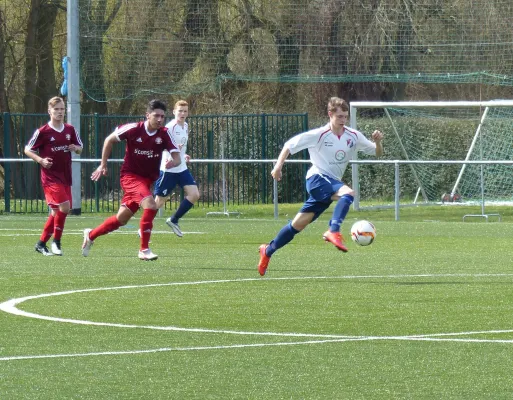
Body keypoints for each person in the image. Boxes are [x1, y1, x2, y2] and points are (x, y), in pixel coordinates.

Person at [258, 97, 384, 276]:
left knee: (297, 226)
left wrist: (378, 142)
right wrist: (278, 166)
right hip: (317, 178)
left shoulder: (353, 136)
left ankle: (267, 251)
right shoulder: (319, 134)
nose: (343, 120)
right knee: (348, 193)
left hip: (329, 184)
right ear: (330, 114)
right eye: (339, 116)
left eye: (345, 116)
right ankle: (333, 230)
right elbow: (289, 146)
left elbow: (377, 153)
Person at [81, 99, 181, 261]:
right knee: (151, 205)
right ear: (147, 115)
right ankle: (144, 249)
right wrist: (103, 165)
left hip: (146, 181)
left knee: (121, 219)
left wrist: (173, 162)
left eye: (162, 116)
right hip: (130, 177)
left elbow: (177, 157)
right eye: (156, 116)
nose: (160, 119)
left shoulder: (164, 134)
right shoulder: (133, 129)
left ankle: (91, 235)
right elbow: (109, 140)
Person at [25, 96, 83, 256]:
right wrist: (40, 160)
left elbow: (80, 148)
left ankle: (41, 243)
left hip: (65, 175)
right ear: (49, 111)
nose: (59, 112)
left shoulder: (70, 130)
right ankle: (56, 242)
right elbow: (27, 149)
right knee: (65, 207)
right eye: (56, 109)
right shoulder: (43, 132)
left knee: (56, 212)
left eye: (62, 109)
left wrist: (75, 148)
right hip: (50, 177)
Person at [153, 100, 199, 237]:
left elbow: (179, 147)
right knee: (159, 201)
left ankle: (174, 220)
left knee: (194, 194)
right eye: (180, 111)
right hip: (169, 170)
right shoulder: (169, 127)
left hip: (181, 168)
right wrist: (169, 157)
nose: (183, 113)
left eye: (185, 111)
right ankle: (145, 226)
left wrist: (183, 155)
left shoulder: (185, 126)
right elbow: (162, 145)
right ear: (174, 112)